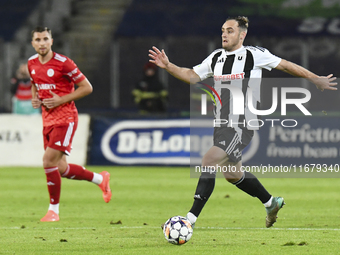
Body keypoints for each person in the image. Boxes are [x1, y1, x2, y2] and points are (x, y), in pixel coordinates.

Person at [149, 16, 337, 229]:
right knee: (232, 174)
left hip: (242, 123)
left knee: (209, 161)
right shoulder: (216, 58)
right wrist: (168, 66)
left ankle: (188, 220)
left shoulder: (253, 55)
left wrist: (315, 79)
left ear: (242, 34)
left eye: (230, 31)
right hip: (221, 123)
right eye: (222, 30)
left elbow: (285, 65)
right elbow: (192, 75)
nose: (224, 34)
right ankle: (270, 202)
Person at [28, 26, 112, 222]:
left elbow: (87, 87)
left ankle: (53, 211)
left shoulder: (63, 63)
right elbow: (35, 82)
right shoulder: (31, 63)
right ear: (32, 43)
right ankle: (100, 179)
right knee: (60, 168)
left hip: (65, 118)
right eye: (38, 40)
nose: (42, 43)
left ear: (52, 41)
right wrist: (35, 99)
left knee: (48, 161)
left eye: (45, 39)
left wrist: (60, 100)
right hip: (47, 120)